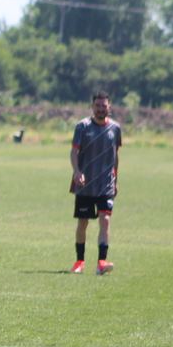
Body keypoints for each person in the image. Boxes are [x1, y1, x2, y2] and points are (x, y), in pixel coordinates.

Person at [70, 91, 122, 275]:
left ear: (109, 107)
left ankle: (101, 262)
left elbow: (115, 155)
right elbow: (74, 152)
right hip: (85, 184)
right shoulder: (82, 127)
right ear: (92, 107)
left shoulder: (115, 128)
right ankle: (79, 261)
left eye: (104, 106)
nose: (101, 109)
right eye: (98, 106)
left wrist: (116, 179)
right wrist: (77, 171)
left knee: (105, 220)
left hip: (106, 184)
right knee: (83, 222)